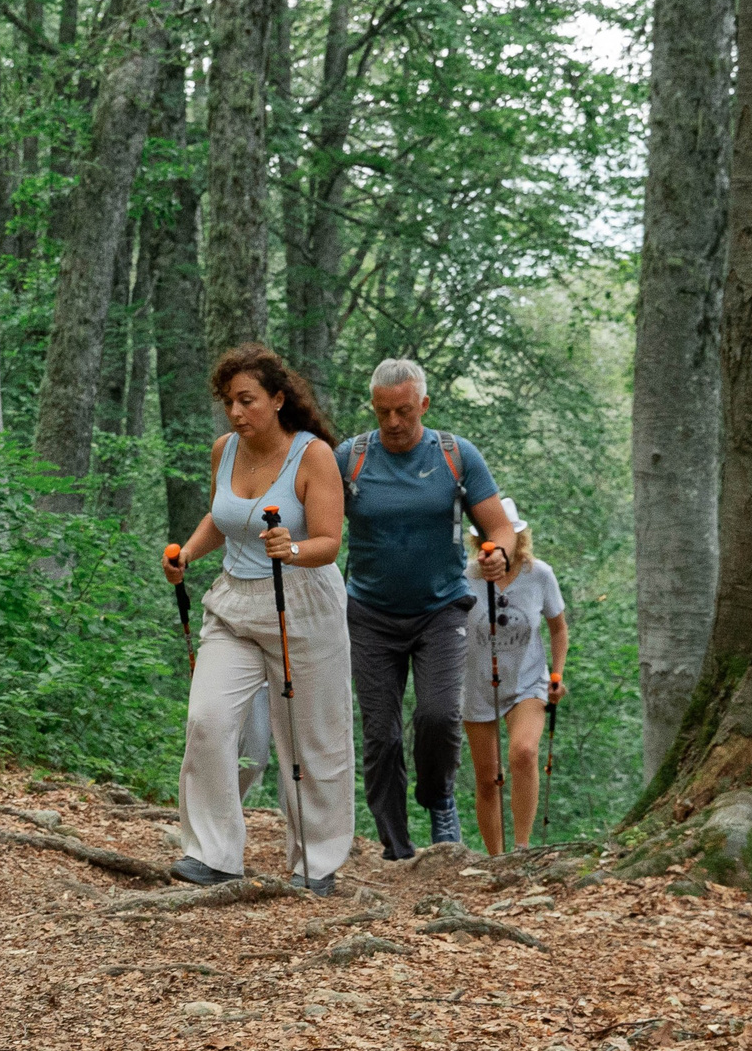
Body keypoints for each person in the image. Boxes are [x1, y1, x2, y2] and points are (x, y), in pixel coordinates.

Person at [161, 344, 353, 895]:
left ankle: (315, 863)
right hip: (235, 605)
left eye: (246, 400)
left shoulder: (312, 456)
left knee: (311, 739)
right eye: (229, 402)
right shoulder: (226, 449)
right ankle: (214, 855)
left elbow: (329, 543)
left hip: (303, 603)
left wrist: (290, 549)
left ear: (277, 399)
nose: (236, 413)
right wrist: (187, 556)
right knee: (207, 720)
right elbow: (221, 518)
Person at [336, 358, 519, 861]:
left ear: (424, 405)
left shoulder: (456, 456)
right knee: (382, 734)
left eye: (404, 411)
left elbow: (498, 527)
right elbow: (320, 524)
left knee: (438, 716)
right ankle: (396, 846)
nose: (393, 423)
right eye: (382, 412)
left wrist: (498, 550)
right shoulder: (349, 458)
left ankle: (438, 798)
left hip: (441, 610)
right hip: (368, 612)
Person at [463, 518, 569, 853]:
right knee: (488, 778)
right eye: (484, 537)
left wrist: (557, 675)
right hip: (476, 684)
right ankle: (496, 859)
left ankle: (521, 849)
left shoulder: (540, 575)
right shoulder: (465, 577)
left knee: (523, 753)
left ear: (518, 538)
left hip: (528, 681)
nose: (491, 544)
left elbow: (558, 629)